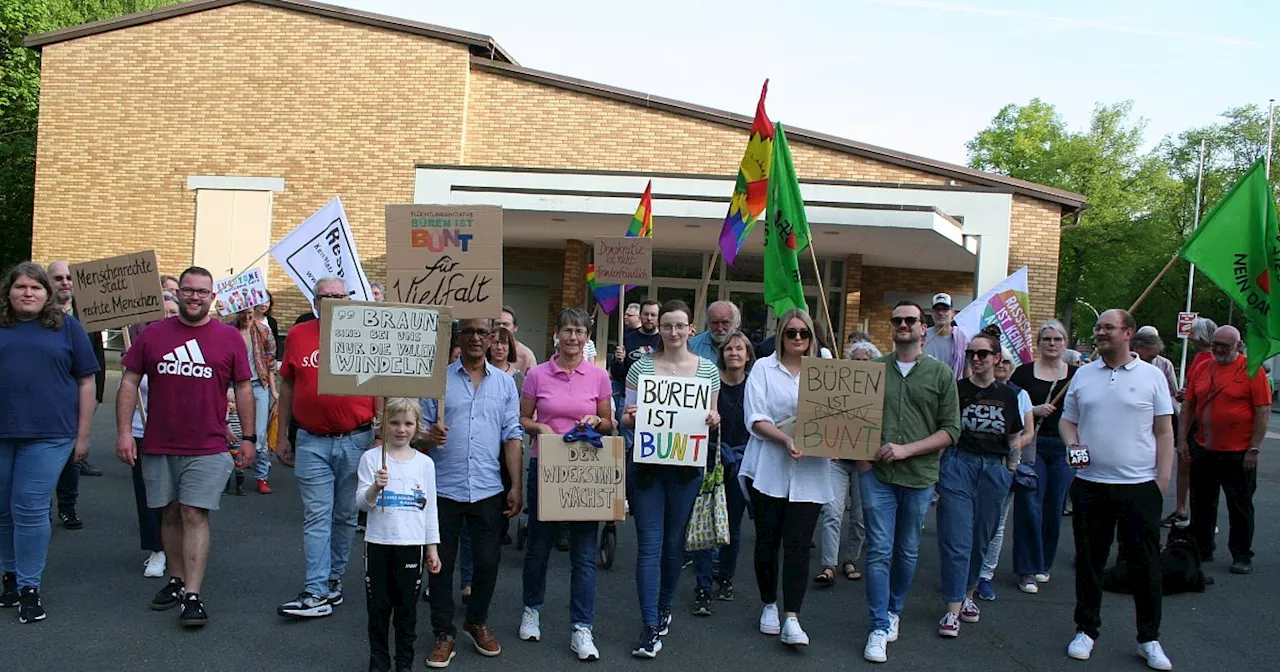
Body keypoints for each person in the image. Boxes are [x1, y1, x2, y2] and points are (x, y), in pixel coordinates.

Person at [116, 266, 255, 628]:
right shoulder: (153, 334)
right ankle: (176, 580)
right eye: (189, 290)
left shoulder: (228, 339)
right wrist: (123, 432)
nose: (195, 296)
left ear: (212, 297)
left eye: (202, 292)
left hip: (208, 443)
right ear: (179, 293)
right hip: (160, 441)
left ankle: (193, 594)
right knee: (170, 512)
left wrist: (250, 438)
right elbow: (129, 381)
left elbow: (243, 388)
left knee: (194, 513)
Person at [1060, 309, 1174, 670]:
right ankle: (1086, 629)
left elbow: (1163, 431)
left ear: (1129, 333)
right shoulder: (1084, 376)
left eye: (1108, 327)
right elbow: (1068, 421)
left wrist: (1162, 481)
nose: (1100, 332)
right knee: (1090, 561)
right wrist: (1073, 448)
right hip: (1091, 485)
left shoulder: (1152, 377)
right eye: (1098, 327)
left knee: (1144, 564)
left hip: (1139, 486)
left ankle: (1149, 638)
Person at [418, 318, 524, 667]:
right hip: (444, 487)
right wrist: (427, 437)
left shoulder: (506, 384)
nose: (476, 339)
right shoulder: (439, 379)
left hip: (487, 487)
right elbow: (416, 429)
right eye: (469, 332)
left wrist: (516, 485)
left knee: (487, 562)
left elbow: (512, 435)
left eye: (483, 332)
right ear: (458, 337)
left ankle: (476, 621)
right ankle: (443, 632)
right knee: (440, 565)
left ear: (494, 337)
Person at [861, 301, 960, 664]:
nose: (903, 324)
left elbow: (951, 429)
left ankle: (894, 608)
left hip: (918, 477)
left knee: (907, 550)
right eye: (897, 319)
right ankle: (877, 624)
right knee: (878, 550)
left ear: (924, 327)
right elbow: (852, 422)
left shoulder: (940, 374)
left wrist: (907, 450)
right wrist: (861, 463)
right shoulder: (872, 370)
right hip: (877, 476)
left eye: (910, 320)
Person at [0, 262, 100, 623]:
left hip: (51, 433)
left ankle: (29, 587)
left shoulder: (67, 327)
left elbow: (86, 381)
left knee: (29, 507)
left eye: (35, 288)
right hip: (3, 432)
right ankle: (9, 576)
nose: (28, 293)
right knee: (3, 509)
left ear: (47, 295)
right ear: (8, 291)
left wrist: (83, 435)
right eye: (20, 287)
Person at [274, 277, 379, 619]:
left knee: (346, 515)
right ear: (314, 301)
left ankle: (333, 579)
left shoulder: (365, 331)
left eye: (339, 295)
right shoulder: (298, 335)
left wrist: (379, 433)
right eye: (325, 296)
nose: (333, 300)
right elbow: (288, 385)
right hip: (312, 439)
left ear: (349, 298)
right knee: (317, 515)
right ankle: (315, 588)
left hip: (358, 439)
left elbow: (381, 381)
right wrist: (281, 435)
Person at [620, 300, 720, 657]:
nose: (673, 332)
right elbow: (626, 418)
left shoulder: (707, 370)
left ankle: (664, 608)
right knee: (649, 544)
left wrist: (713, 419)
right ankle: (649, 625)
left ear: (690, 329)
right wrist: (630, 415)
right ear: (658, 329)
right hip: (647, 469)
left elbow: (713, 413)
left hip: (685, 471)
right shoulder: (641, 368)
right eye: (667, 326)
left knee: (674, 544)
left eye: (680, 326)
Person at [519, 308, 614, 661]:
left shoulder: (599, 376)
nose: (573, 337)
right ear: (556, 334)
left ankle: (581, 626)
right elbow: (524, 417)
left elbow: (608, 421)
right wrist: (539, 427)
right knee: (539, 547)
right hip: (546, 466)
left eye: (579, 331)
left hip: (586, 469)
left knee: (584, 554)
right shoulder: (537, 374)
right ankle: (532, 609)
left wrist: (595, 420)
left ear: (587, 337)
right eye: (567, 331)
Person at [738, 308, 833, 648]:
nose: (797, 338)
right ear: (781, 335)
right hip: (770, 468)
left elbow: (838, 415)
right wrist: (786, 439)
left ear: (812, 336)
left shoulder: (826, 369)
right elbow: (755, 415)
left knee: (798, 545)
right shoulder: (764, 367)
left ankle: (792, 615)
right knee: (767, 539)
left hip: (810, 473)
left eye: (803, 333)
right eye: (791, 332)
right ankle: (768, 603)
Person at [935, 326, 1024, 637]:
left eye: (982, 353)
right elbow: (944, 431)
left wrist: (1011, 468)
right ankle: (953, 608)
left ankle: (969, 593)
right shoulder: (956, 390)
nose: (975, 358)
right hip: (959, 465)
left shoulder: (1009, 395)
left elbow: (1014, 435)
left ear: (996, 358)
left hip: (994, 471)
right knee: (955, 538)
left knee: (981, 538)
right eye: (971, 353)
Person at [357, 398, 442, 672]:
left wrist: (432, 548)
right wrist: (374, 488)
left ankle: (404, 664)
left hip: (411, 545)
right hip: (379, 543)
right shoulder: (371, 459)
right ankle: (378, 662)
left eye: (407, 423)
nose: (401, 429)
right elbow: (361, 503)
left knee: (407, 611)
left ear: (417, 426)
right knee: (378, 610)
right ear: (383, 425)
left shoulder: (425, 464)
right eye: (394, 423)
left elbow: (430, 510)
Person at [1179, 325, 1268, 575]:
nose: (1218, 349)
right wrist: (1182, 441)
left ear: (1237, 346)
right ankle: (1203, 548)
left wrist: (1254, 448)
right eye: (1216, 343)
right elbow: (1188, 405)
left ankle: (1241, 555)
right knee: (1201, 503)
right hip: (1204, 448)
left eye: (1225, 346)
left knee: (1239, 506)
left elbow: (1262, 411)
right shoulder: (1202, 367)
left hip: (1238, 452)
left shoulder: (1252, 370)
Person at [1010, 320, 1077, 594]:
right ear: (1038, 343)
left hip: (1063, 447)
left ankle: (1043, 563)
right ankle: (1026, 568)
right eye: (1047, 339)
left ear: (1065, 343)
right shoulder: (1023, 374)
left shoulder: (1076, 374)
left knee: (1054, 505)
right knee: (1029, 502)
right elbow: (1010, 406)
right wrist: (1033, 411)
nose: (1052, 343)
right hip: (1031, 444)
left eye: (1057, 339)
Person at [691, 330, 755, 611]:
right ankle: (703, 586)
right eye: (729, 349)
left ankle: (725, 578)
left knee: (733, 525)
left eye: (740, 349)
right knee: (706, 521)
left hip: (742, 464)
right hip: (710, 459)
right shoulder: (709, 383)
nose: (734, 354)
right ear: (722, 354)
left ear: (748, 355)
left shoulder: (755, 386)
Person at [46, 261, 106, 535]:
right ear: (49, 281)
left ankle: (68, 508)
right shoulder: (39, 315)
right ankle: (41, 508)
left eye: (69, 277)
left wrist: (98, 396)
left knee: (72, 457)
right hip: (46, 398)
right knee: (43, 458)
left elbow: (98, 358)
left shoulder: (87, 315)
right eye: (58, 278)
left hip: (76, 398)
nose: (65, 282)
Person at [814, 340, 879, 588]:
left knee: (860, 517)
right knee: (832, 512)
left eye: (866, 360)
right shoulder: (838, 387)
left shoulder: (881, 391)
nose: (862, 365)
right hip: (838, 460)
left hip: (866, 462)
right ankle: (828, 564)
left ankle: (850, 559)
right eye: (857, 360)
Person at [128, 294, 182, 579]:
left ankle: (181, 546)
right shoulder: (143, 346)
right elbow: (128, 388)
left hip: (183, 435)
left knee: (180, 495)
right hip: (145, 431)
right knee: (150, 494)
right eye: (164, 312)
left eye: (174, 311)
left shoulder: (191, 346)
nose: (170, 316)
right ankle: (157, 549)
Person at [975, 347, 1034, 602]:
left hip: (1003, 465)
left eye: (1007, 362)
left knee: (996, 524)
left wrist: (1007, 449)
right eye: (999, 361)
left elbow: (1028, 432)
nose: (1002, 366)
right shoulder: (970, 390)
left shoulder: (1020, 396)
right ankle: (965, 573)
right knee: (970, 521)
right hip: (972, 464)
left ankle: (985, 575)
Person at [1165, 316, 1218, 528]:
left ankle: (1198, 515)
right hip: (1191, 416)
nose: (1191, 337)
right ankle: (1182, 509)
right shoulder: (1199, 358)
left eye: (1194, 333)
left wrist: (1190, 395)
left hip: (1201, 421)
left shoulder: (1211, 359)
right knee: (1185, 464)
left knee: (1198, 469)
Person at [230, 308, 277, 494]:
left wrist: (273, 389)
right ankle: (230, 474)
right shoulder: (229, 331)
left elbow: (270, 362)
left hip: (258, 384)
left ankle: (261, 476)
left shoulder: (263, 330)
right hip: (233, 384)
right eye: (243, 313)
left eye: (250, 312)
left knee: (260, 434)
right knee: (232, 430)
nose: (247, 317)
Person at [924, 292, 969, 380]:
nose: (940, 313)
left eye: (945, 309)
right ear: (932, 313)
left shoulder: (963, 339)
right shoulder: (922, 337)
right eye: (937, 309)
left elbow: (967, 370)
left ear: (953, 313)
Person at [497, 306, 538, 374]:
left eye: (505, 324)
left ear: (515, 327)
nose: (501, 327)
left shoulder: (526, 355)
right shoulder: (486, 350)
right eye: (497, 324)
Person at [256, 290, 282, 359]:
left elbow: (275, 344)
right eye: (261, 301)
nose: (264, 305)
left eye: (267, 301)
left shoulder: (271, 322)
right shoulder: (246, 320)